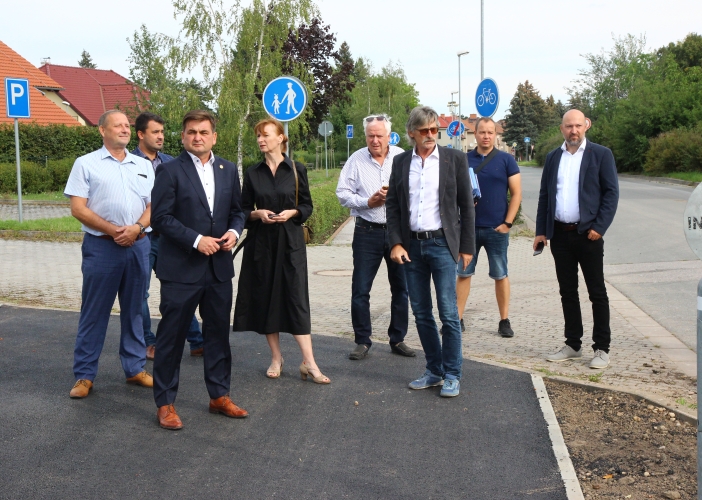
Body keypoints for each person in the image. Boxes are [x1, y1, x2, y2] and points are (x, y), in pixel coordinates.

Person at [150, 110, 247, 430]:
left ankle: (219, 396)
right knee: (172, 338)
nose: (197, 137)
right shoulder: (169, 170)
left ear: (214, 137)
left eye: (204, 132)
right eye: (191, 132)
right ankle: (165, 403)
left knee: (217, 335)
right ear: (182, 136)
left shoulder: (228, 169)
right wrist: (195, 240)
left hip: (218, 268)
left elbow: (237, 211)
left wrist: (234, 232)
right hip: (181, 269)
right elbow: (160, 218)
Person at [64, 110, 154, 399]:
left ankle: (135, 368)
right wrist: (115, 231)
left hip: (138, 245)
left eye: (127, 125)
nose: (125, 129)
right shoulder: (85, 164)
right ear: (102, 130)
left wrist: (137, 228)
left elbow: (154, 205)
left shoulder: (143, 165)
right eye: (118, 125)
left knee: (135, 310)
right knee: (94, 312)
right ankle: (84, 375)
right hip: (102, 247)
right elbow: (78, 208)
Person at [386, 106, 475, 398]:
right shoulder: (400, 162)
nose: (430, 135)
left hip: (442, 244)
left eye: (434, 129)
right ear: (411, 132)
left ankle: (452, 374)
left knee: (448, 313)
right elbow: (393, 206)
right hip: (411, 247)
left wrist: (467, 247)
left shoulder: (454, 159)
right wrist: (395, 242)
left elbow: (467, 206)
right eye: (424, 130)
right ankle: (434, 370)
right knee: (421, 312)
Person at [233, 118, 329, 384]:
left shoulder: (297, 169)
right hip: (261, 245)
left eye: (265, 135)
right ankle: (276, 358)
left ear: (280, 138)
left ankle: (309, 362)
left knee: (296, 300)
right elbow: (242, 210)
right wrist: (257, 214)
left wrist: (293, 213)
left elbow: (307, 205)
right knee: (266, 299)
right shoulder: (253, 173)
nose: (260, 140)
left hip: (290, 244)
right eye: (258, 136)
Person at [534, 109, 619, 369]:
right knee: (567, 292)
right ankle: (573, 345)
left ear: (586, 126)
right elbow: (545, 196)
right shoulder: (553, 157)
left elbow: (611, 193)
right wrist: (541, 231)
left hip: (588, 236)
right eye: (569, 126)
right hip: (560, 236)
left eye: (578, 126)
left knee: (597, 292)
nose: (574, 130)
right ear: (562, 128)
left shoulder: (601, 154)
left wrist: (600, 227)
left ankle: (601, 348)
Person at [336, 114, 414, 360]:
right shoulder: (356, 159)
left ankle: (398, 339)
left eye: (379, 135)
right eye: (370, 136)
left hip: (398, 233)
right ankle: (362, 340)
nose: (375, 140)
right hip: (366, 232)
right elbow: (342, 193)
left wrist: (397, 197)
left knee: (401, 288)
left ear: (389, 136)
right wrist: (367, 201)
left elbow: (416, 189)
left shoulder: (402, 157)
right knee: (360, 289)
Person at [131, 112, 204, 361]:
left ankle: (196, 341)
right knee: (140, 293)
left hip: (169, 238)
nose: (160, 136)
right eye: (155, 132)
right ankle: (149, 342)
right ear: (141, 134)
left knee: (179, 291)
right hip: (142, 237)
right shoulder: (129, 163)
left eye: (162, 132)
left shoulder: (171, 162)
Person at [455, 117, 522, 338]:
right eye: (482, 132)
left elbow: (516, 194)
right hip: (469, 229)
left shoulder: (506, 160)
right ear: (475, 134)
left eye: (490, 132)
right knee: (463, 273)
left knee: (501, 274)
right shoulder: (463, 160)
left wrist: (507, 223)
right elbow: (452, 192)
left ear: (495, 134)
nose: (486, 136)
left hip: (496, 229)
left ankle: (504, 320)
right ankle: (457, 319)